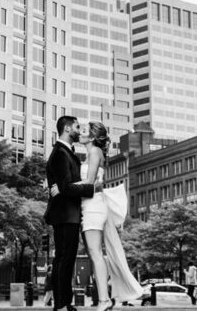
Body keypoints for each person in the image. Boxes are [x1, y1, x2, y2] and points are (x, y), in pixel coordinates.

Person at [51, 121, 144, 311]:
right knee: (95, 255)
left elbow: (90, 183)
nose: (80, 134)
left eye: (83, 131)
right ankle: (103, 299)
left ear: (92, 137)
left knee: (95, 254)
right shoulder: (90, 154)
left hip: (93, 207)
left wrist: (62, 188)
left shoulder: (94, 152)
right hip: (87, 206)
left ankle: (104, 300)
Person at [45, 116, 99, 311]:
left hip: (68, 213)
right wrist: (89, 188)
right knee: (64, 258)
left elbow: (64, 186)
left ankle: (62, 303)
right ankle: (62, 304)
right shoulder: (60, 153)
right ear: (68, 129)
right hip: (65, 213)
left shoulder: (65, 152)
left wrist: (64, 187)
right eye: (77, 127)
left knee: (64, 258)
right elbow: (66, 187)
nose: (79, 130)